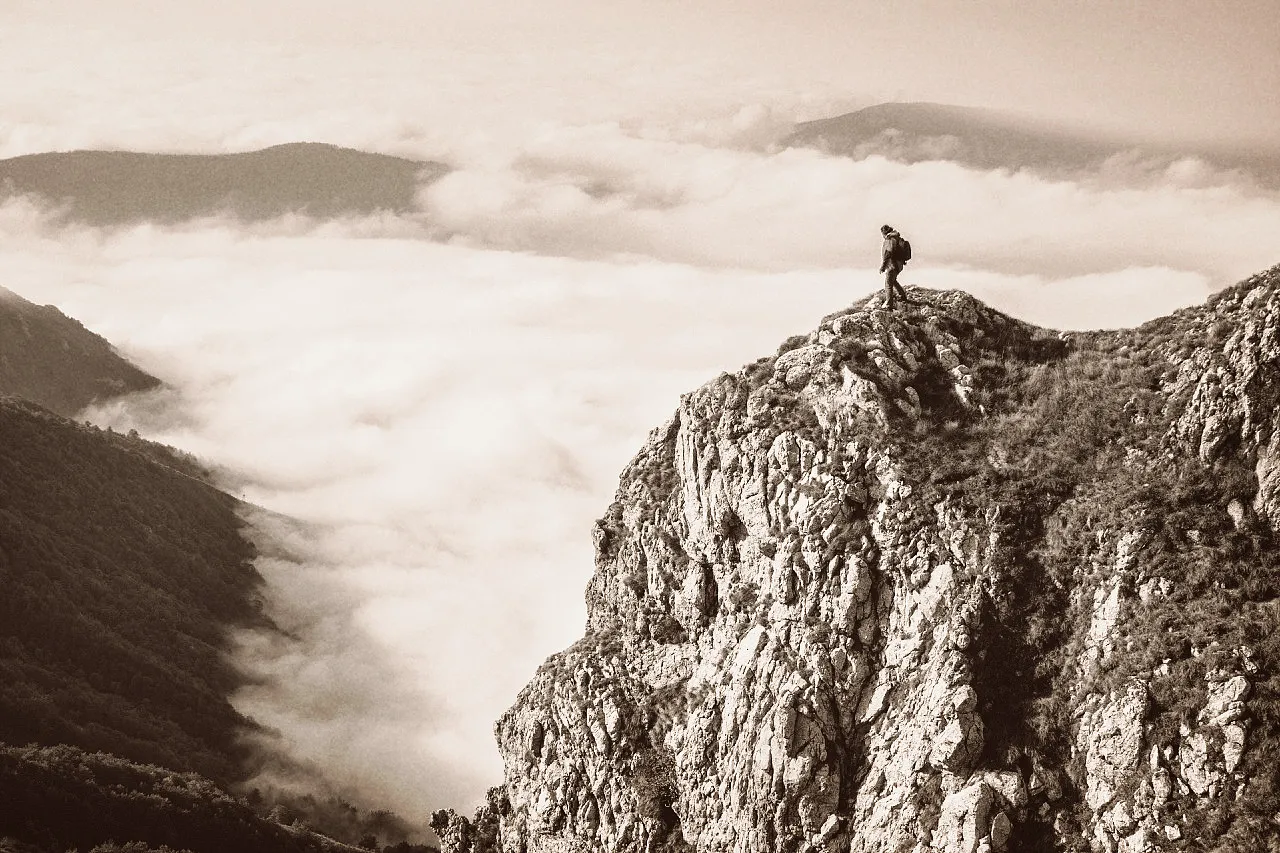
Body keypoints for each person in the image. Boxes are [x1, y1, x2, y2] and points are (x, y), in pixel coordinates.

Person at [879, 224, 912, 309]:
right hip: (899, 264)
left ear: (884, 232)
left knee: (888, 283)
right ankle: (903, 296)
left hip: (892, 264)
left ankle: (888, 304)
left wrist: (883, 266)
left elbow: (888, 253)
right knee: (893, 281)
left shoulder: (890, 239)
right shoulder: (897, 238)